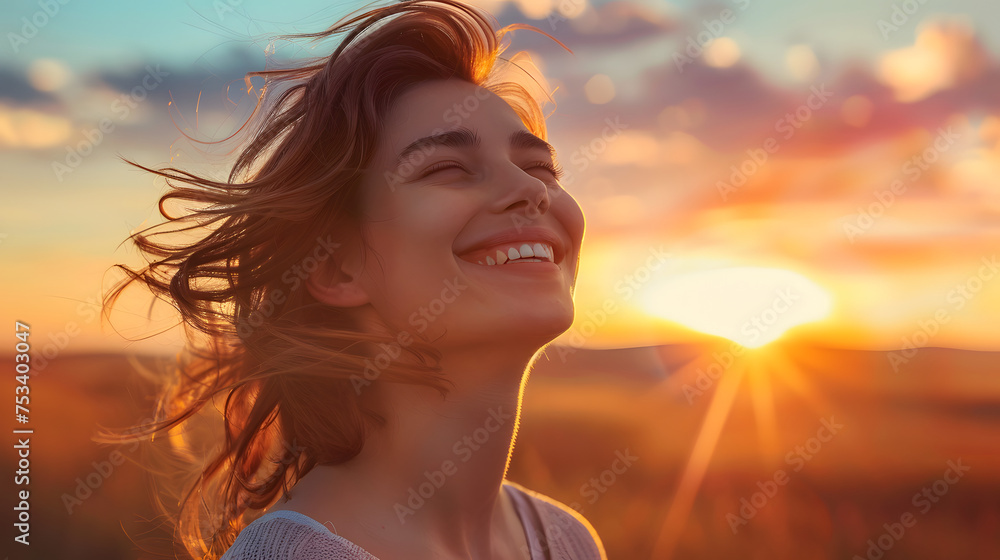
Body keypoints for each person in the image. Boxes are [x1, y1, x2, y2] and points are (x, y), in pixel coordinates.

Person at [101, 0, 605, 558]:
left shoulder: (567, 540)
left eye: (540, 168)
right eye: (447, 168)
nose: (532, 190)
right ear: (335, 267)